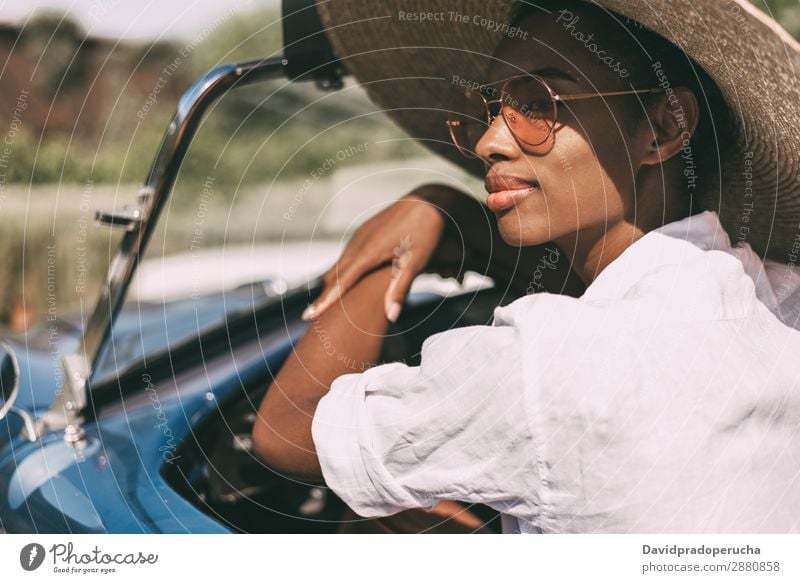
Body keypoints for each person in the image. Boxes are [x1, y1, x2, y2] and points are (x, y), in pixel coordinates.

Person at [252, 0, 800, 533]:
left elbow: (287, 433)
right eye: (491, 107)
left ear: (661, 127)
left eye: (540, 102)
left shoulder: (541, 361)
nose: (489, 142)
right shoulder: (780, 302)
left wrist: (391, 257)